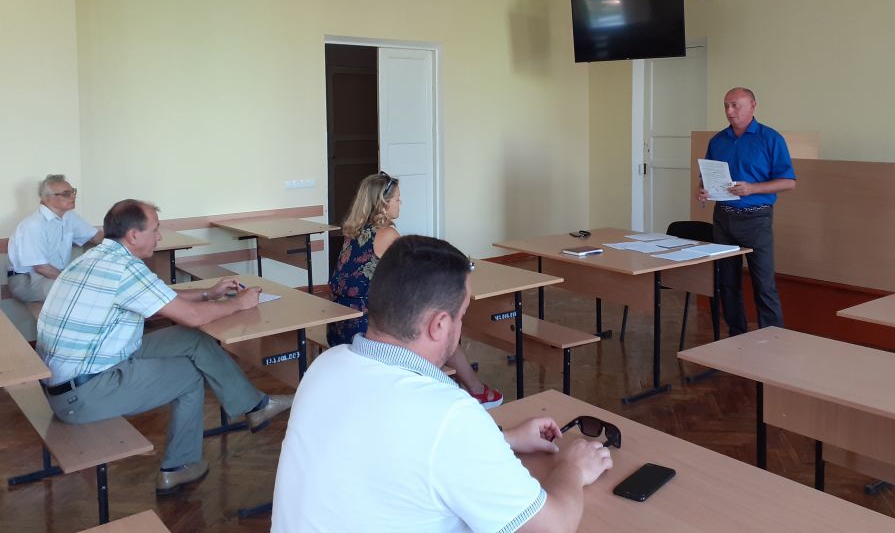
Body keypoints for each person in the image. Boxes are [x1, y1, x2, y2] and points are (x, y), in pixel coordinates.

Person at [273, 235, 613, 533]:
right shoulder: (449, 415)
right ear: (438, 325)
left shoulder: (325, 366)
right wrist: (572, 468)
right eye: (462, 315)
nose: (461, 325)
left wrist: (503, 439)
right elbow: (551, 527)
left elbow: (388, 444)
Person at [35, 199, 294, 495]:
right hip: (82, 394)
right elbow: (193, 316)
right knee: (191, 375)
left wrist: (209, 294)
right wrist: (240, 303)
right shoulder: (125, 268)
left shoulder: (95, 258)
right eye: (155, 230)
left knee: (192, 339)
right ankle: (177, 467)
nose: (159, 237)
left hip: (82, 371)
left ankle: (256, 407)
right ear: (134, 235)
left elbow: (158, 298)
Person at [328, 171, 504, 408]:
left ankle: (465, 386)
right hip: (363, 328)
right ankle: (474, 390)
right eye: (397, 198)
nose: (401, 203)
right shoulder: (387, 234)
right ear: (383, 204)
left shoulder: (353, 233)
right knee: (439, 324)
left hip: (339, 325)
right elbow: (416, 272)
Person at [697, 88, 796, 336]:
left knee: (764, 284)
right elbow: (706, 177)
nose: (729, 111)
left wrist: (752, 188)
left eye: (735, 105)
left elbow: (788, 182)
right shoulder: (717, 141)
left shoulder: (771, 138)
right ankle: (736, 336)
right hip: (723, 218)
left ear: (752, 106)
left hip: (756, 219)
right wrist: (703, 190)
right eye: (726, 106)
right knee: (727, 283)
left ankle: (773, 340)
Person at [7, 174, 103, 303]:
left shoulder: (69, 217)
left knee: (99, 283)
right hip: (28, 279)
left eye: (73, 192)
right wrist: (70, 280)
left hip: (55, 275)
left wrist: (121, 240)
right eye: (66, 194)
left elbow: (96, 237)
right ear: (47, 199)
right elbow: (41, 268)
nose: (73, 196)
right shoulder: (33, 224)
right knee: (75, 291)